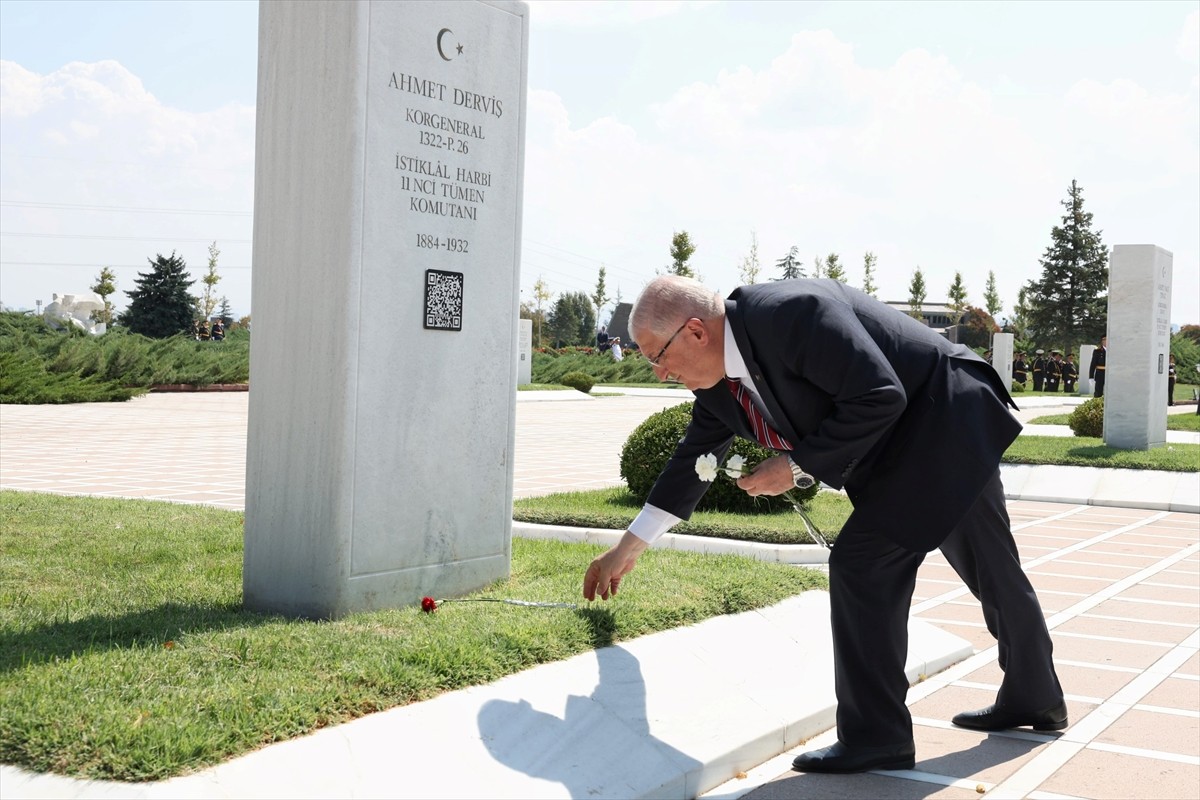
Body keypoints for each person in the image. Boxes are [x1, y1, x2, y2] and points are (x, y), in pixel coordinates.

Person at [582, 276, 1065, 774]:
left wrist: (793, 465)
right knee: (990, 564)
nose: (659, 373)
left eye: (656, 356)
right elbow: (692, 461)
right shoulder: (718, 386)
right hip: (916, 433)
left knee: (863, 563)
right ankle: (1035, 696)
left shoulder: (793, 313)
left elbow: (880, 393)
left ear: (696, 332)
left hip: (947, 412)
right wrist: (627, 549)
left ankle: (875, 736)